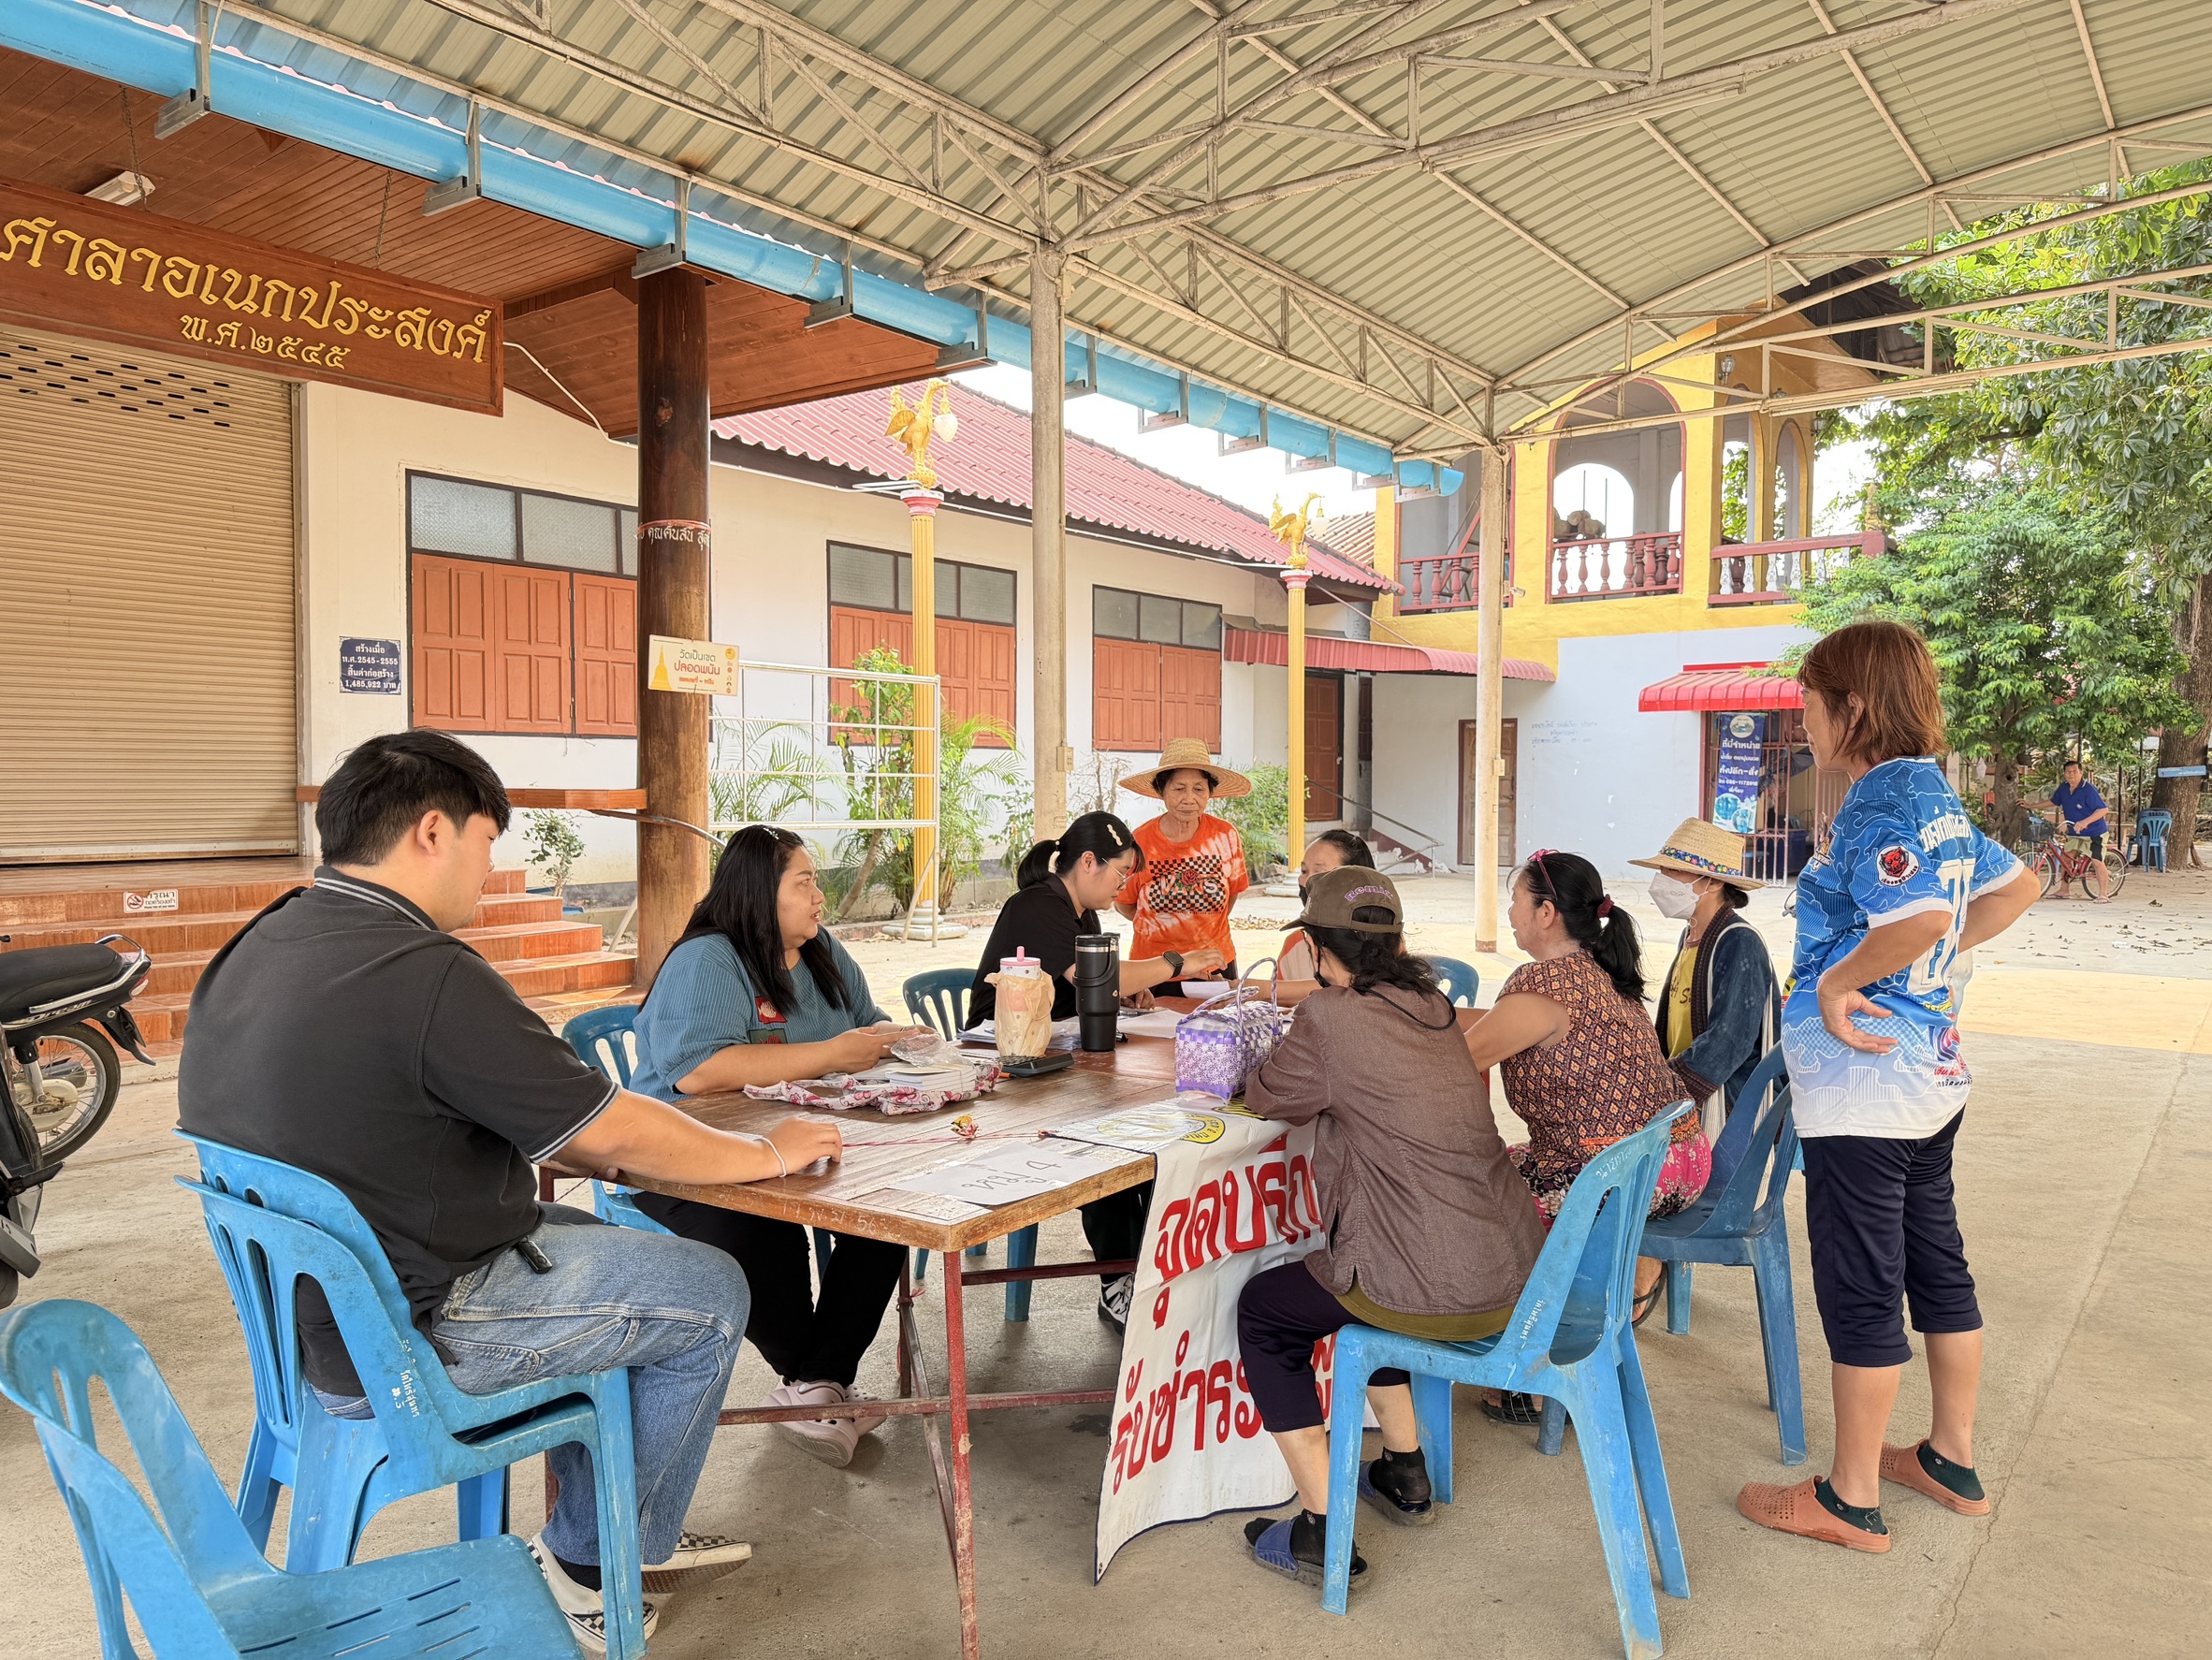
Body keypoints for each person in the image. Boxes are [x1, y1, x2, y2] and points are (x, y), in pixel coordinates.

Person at [178, 732, 832, 1653]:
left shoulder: (259, 940)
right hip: (407, 1330)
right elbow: (607, 1132)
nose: (492, 867)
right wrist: (768, 1151)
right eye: (488, 841)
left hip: (309, 1322)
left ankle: (616, 1518)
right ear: (432, 832)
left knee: (621, 1256)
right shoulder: (422, 971)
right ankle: (593, 1567)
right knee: (710, 1288)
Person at [1739, 620, 2039, 1554]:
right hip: (1929, 1080)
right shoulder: (1931, 794)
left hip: (1866, 1091)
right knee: (1934, 1261)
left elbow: (1917, 916)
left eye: (1809, 704)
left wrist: (1840, 983)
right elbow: (2017, 887)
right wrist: (1921, 971)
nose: (1803, 722)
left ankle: (1851, 1496)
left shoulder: (1877, 800)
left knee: (1861, 1282)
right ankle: (1949, 1456)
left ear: (1854, 706)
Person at [1235, 866, 1546, 1590]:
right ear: (1397, 943)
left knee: (1267, 1312)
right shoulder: (1432, 1005)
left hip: (1430, 1286)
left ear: (1318, 952)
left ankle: (1321, 1527)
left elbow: (1268, 1095)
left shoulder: (1328, 1015)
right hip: (1511, 1273)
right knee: (1373, 1270)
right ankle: (1404, 1471)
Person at [628, 824, 923, 1470]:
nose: (820, 896)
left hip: (798, 1141)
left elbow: (867, 1022)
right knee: (760, 1230)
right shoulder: (709, 959)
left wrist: (895, 1039)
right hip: (687, 1157)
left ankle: (815, 1389)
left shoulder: (821, 950)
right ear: (761, 892)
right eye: (804, 882)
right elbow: (698, 1071)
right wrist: (830, 1053)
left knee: (890, 1212)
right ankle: (820, 1386)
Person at [965, 811, 1226, 1332]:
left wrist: (1126, 991)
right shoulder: (1037, 906)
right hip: (1006, 1062)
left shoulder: (1082, 915)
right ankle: (1118, 1279)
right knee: (1106, 1136)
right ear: (1088, 862)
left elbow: (1095, 985)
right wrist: (1177, 963)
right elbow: (1096, 976)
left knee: (1141, 1126)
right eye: (1120, 872)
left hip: (1059, 1055)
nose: (1123, 885)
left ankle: (1147, 1265)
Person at [1462, 849, 1707, 1387]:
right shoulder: (1599, 973)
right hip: (1676, 1160)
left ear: (1546, 913)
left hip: (1614, 1178)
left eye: (1516, 900)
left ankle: (1532, 1361)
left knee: (1468, 1194)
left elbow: (1456, 1060)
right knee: (1507, 1166)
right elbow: (1499, 1023)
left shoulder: (1540, 985)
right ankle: (1556, 1338)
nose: (1511, 912)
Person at [1632, 818, 1783, 1126]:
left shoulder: (1740, 941)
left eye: (1674, 870)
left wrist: (1665, 1087)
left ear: (1712, 882)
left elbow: (1729, 1041)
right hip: (1686, 1094)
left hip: (1724, 1103)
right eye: (1662, 870)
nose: (1662, 879)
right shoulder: (1690, 936)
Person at [1114, 737, 1250, 996]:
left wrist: (1197, 923)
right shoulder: (1140, 841)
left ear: (1210, 793)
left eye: (1199, 789)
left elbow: (1231, 895)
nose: (1189, 799)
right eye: (1179, 789)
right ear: (1161, 791)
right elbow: (1124, 903)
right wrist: (1165, 925)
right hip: (1152, 968)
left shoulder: (1225, 836)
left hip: (1214, 965)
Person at [1271, 827, 1376, 1004]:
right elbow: (1280, 1011)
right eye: (1304, 871)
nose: (1306, 882)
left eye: (1319, 873)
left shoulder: (1385, 939)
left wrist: (1264, 991)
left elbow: (1364, 990)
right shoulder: (1295, 945)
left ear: (1355, 879)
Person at [2048, 758, 2112, 901]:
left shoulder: (2088, 789)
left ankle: (2103, 894)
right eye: (2068, 772)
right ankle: (2064, 890)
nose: (2071, 774)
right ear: (2064, 774)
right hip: (2074, 832)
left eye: (2074, 771)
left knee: (2096, 861)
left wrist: (2085, 822)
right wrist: (2030, 806)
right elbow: (2053, 801)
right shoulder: (2064, 788)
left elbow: (2103, 810)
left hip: (2094, 832)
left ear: (2081, 773)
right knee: (2065, 858)